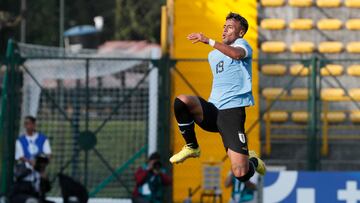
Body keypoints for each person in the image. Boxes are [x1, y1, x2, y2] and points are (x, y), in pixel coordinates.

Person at [169, 12, 266, 184]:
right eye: (224, 26)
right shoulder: (213, 55)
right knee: (181, 101)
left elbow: (236, 54)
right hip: (213, 111)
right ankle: (192, 147)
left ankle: (253, 160)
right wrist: (214, 45)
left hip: (231, 114)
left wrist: (209, 41)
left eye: (230, 27)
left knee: (241, 173)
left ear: (241, 32)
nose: (225, 30)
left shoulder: (242, 44)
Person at [12, 116, 53, 203]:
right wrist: (32, 163)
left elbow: (48, 155)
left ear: (34, 125)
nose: (27, 126)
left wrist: (40, 165)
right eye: (25, 124)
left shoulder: (43, 139)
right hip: (26, 177)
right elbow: (21, 156)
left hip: (39, 176)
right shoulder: (20, 140)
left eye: (29, 123)